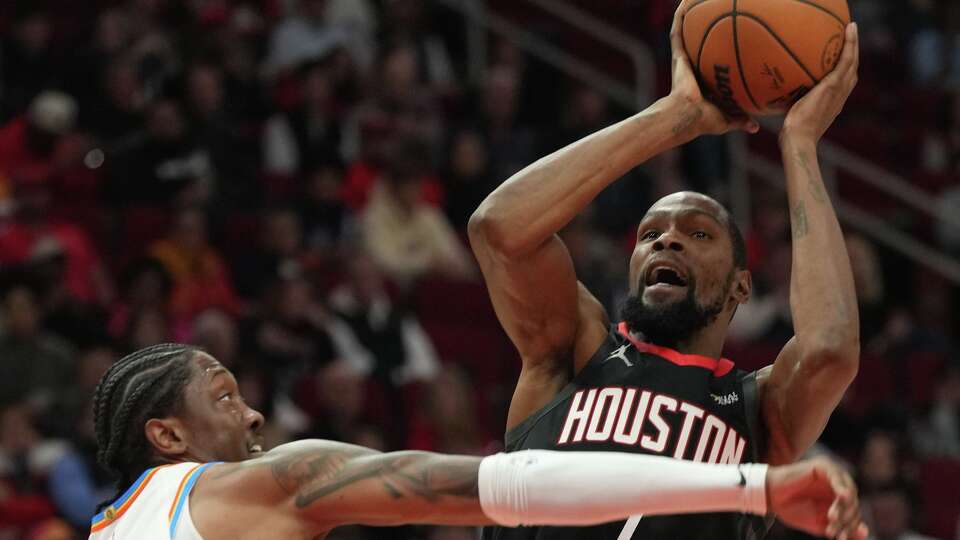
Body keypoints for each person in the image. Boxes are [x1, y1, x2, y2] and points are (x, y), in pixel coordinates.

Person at [468, 1, 862, 538]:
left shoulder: (758, 410)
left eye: (697, 233)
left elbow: (830, 349)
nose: (668, 239)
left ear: (740, 286)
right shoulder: (571, 354)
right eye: (650, 234)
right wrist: (672, 117)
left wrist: (798, 146)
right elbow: (499, 229)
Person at [87, 343, 867, 540]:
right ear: (167, 434)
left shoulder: (101, 528)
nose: (253, 416)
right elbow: (511, 486)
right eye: (225, 396)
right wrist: (755, 486)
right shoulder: (255, 486)